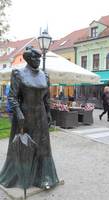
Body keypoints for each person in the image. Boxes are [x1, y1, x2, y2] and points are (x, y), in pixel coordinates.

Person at [0, 46, 59, 189]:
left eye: (39, 58)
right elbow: (12, 98)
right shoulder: (18, 73)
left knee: (43, 147)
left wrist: (49, 113)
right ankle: (20, 176)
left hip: (41, 115)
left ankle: (44, 177)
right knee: (23, 147)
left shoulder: (44, 75)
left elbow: (47, 98)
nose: (38, 60)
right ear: (27, 58)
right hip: (24, 115)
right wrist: (19, 114)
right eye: (34, 58)